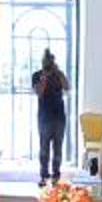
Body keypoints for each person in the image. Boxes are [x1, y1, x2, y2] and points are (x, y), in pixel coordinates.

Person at [32, 49, 69, 185]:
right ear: (42, 62)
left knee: (58, 148)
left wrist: (58, 73)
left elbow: (67, 87)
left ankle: (56, 175)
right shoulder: (37, 75)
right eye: (46, 62)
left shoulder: (59, 74)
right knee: (44, 148)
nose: (48, 65)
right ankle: (44, 175)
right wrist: (44, 78)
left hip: (59, 117)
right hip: (44, 117)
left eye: (50, 62)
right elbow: (39, 92)